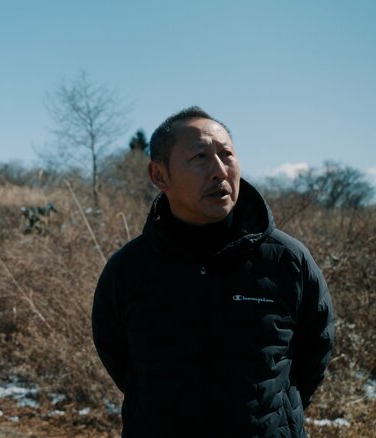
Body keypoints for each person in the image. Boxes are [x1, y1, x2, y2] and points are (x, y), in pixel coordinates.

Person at [91, 107, 334, 437]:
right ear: (159, 175)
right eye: (200, 157)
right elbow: (116, 354)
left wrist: (272, 415)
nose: (219, 171)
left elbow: (315, 349)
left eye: (227, 154)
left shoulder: (287, 260)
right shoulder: (129, 269)